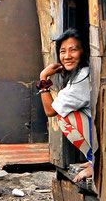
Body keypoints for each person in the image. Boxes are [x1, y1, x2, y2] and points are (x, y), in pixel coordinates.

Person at [38, 28, 92, 183]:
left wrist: (43, 79)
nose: (67, 56)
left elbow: (50, 110)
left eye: (73, 50)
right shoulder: (81, 73)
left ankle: (98, 162)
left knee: (65, 116)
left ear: (85, 53)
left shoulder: (83, 77)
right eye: (63, 51)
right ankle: (93, 158)